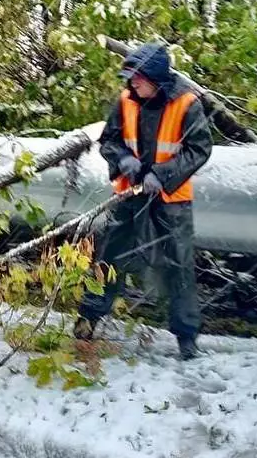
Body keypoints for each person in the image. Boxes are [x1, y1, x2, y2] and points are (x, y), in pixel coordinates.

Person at [74, 42, 212, 360]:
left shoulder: (187, 103)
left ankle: (187, 340)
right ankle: (87, 321)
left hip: (171, 199)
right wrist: (123, 160)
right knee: (108, 258)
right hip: (130, 194)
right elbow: (110, 140)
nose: (132, 83)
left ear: (155, 78)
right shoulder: (126, 100)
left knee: (178, 266)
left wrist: (162, 175)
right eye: (131, 78)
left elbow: (199, 149)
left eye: (137, 78)